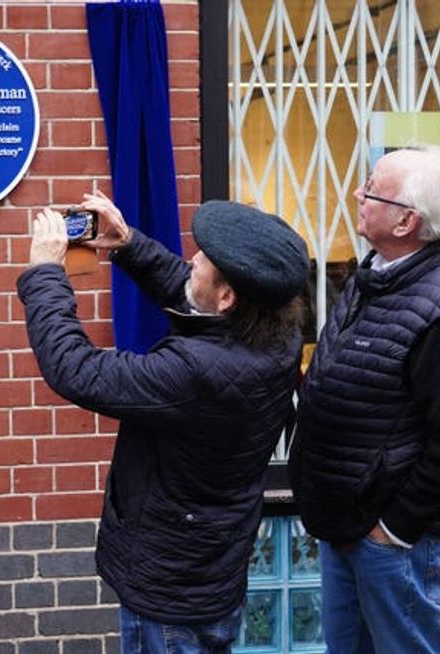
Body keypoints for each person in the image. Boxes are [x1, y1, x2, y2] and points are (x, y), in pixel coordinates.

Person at [17, 190, 310, 652]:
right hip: (209, 570)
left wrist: (45, 273)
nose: (192, 258)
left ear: (230, 295)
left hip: (170, 588)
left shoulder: (195, 370)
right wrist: (128, 243)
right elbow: (193, 291)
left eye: (205, 258)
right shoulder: (278, 333)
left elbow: (76, 370)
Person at [288, 146, 440, 653]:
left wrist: (392, 531)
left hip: (395, 542)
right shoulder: (382, 272)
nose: (358, 194)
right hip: (351, 524)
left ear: (406, 220)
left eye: (372, 189)